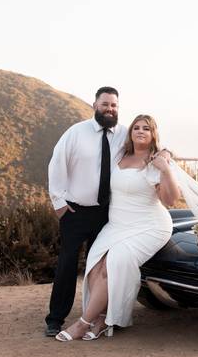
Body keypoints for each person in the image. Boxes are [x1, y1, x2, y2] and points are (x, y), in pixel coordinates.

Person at [55, 114, 179, 341]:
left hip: (149, 226)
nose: (140, 131)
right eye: (137, 128)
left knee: (113, 264)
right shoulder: (119, 155)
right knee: (94, 264)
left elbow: (171, 201)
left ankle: (83, 323)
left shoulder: (155, 163)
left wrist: (166, 168)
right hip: (118, 225)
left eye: (146, 129)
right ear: (130, 132)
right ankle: (102, 319)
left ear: (153, 135)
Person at [44, 86, 126, 337]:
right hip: (75, 212)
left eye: (113, 105)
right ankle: (55, 319)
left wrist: (165, 153)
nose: (109, 109)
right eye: (105, 104)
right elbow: (57, 164)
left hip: (107, 213)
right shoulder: (76, 133)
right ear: (95, 105)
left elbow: (149, 146)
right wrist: (59, 203)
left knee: (99, 267)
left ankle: (93, 317)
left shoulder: (124, 135)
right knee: (67, 265)